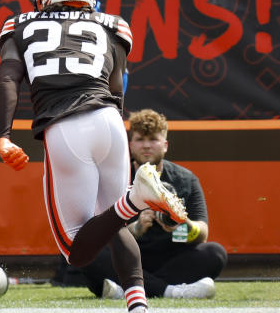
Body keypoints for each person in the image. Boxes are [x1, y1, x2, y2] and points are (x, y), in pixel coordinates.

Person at [0, 0, 189, 313]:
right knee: (114, 225)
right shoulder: (114, 25)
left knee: (76, 249)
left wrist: (4, 133)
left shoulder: (19, 25)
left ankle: (136, 200)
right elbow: (116, 90)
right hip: (110, 123)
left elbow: (7, 79)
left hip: (66, 128)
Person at [81, 109, 228, 300]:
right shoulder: (114, 179)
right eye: (140, 140)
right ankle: (170, 291)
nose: (146, 146)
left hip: (172, 257)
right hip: (128, 257)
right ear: (131, 145)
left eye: (153, 140)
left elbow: (202, 232)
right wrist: (136, 228)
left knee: (215, 253)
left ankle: (127, 289)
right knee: (89, 256)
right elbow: (99, 232)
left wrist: (183, 224)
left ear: (165, 145)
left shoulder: (185, 179)